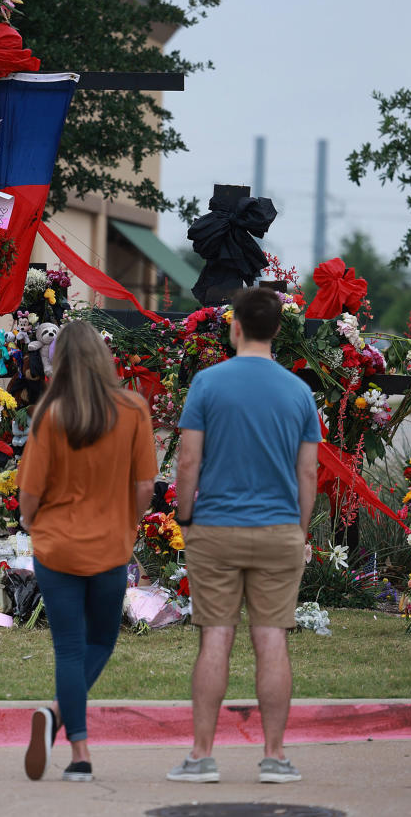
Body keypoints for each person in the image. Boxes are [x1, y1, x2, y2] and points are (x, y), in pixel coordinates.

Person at [167, 286, 320, 784]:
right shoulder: (299, 392)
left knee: (216, 638)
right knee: (271, 639)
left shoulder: (208, 385)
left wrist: (185, 516)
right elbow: (309, 475)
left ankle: (201, 755)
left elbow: (188, 460)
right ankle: (275, 756)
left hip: (215, 528)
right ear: (277, 330)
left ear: (235, 326)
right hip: (278, 530)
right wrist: (297, 532)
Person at [16, 320, 157, 782]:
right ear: (102, 358)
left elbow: (30, 493)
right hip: (110, 547)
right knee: (100, 642)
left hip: (56, 548)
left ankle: (79, 753)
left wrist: (30, 523)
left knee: (70, 650)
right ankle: (56, 719)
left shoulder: (50, 414)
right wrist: (129, 526)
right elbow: (144, 485)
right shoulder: (133, 409)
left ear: (59, 364)